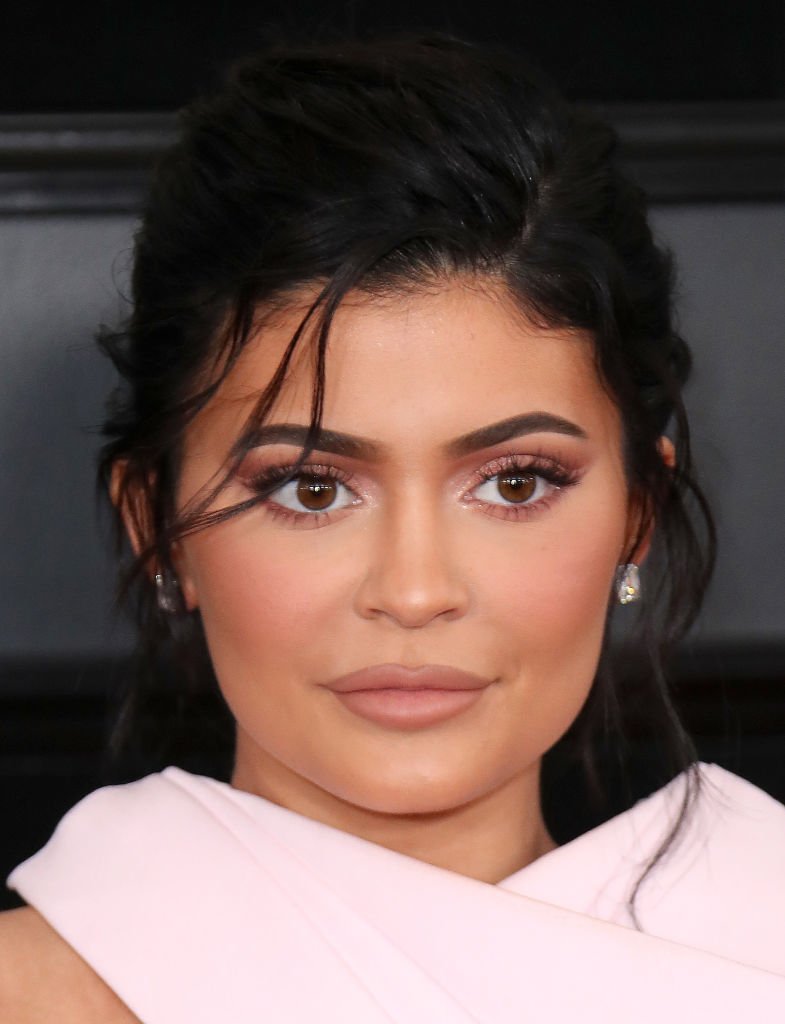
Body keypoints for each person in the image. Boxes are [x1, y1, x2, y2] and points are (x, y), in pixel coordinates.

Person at [1, 33, 784, 1022]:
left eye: (512, 483)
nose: (414, 590)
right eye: (312, 489)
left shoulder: (760, 949)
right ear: (156, 525)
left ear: (638, 512)